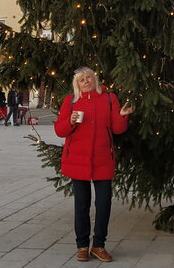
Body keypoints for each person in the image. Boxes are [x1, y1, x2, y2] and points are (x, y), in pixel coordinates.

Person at [55, 67, 134, 263]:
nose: (86, 81)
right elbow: (60, 130)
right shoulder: (71, 101)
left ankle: (99, 245)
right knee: (81, 205)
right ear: (77, 84)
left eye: (89, 77)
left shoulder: (109, 99)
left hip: (103, 159)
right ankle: (82, 246)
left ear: (95, 79)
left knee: (104, 203)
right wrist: (70, 121)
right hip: (78, 160)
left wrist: (122, 116)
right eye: (81, 79)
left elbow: (117, 129)